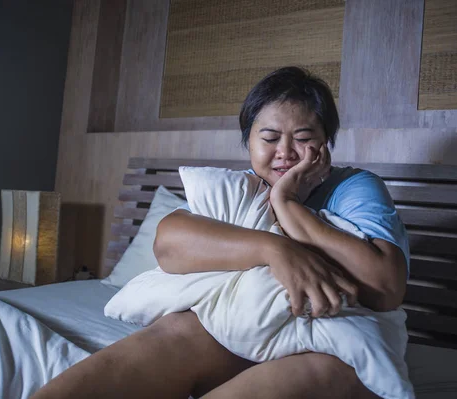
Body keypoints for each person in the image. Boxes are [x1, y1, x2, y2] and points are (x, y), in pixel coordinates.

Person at [32, 67, 409, 399]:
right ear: (248, 142)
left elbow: (386, 288)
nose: (286, 152)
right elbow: (169, 245)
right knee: (180, 328)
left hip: (329, 345)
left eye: (303, 137)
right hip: (241, 334)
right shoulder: (239, 190)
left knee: (324, 368)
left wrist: (289, 204)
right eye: (270, 137)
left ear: (326, 142)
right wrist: (275, 249)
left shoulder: (354, 187)